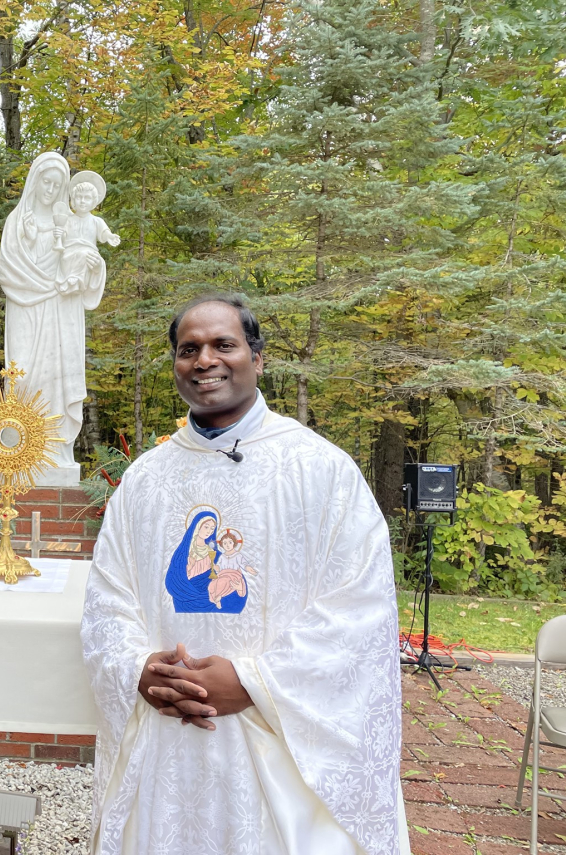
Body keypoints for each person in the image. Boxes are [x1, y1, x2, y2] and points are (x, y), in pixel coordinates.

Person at [80, 294, 409, 855]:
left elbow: (359, 606)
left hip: (277, 740)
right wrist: (139, 669)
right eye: (189, 349)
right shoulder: (146, 479)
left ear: (257, 359)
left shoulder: (321, 469)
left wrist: (255, 681)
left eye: (223, 345)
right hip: (167, 733)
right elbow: (109, 596)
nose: (204, 360)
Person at [0, 154, 109, 476]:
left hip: (63, 308)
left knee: (59, 372)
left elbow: (89, 259)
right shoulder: (17, 221)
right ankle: (21, 446)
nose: (50, 189)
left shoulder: (72, 220)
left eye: (57, 184)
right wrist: (34, 250)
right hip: (26, 303)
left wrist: (91, 268)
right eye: (46, 181)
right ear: (35, 181)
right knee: (24, 373)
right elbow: (8, 270)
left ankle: (57, 450)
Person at [53, 174, 120, 295]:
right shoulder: (68, 220)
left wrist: (110, 236)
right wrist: (59, 234)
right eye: (79, 197)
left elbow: (104, 232)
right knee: (67, 257)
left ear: (94, 201)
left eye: (87, 198)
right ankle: (70, 280)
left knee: (86, 256)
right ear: (73, 200)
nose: (82, 201)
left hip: (88, 252)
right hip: (69, 252)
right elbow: (63, 236)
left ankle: (78, 281)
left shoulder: (96, 221)